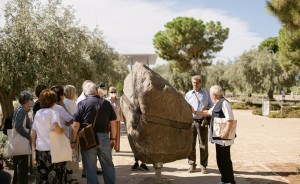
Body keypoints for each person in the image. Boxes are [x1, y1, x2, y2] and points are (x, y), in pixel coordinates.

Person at [71, 82, 117, 184]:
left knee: (90, 168)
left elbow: (75, 125)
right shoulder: (106, 103)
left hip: (87, 139)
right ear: (97, 91)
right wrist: (113, 138)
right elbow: (113, 123)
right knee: (108, 165)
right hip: (104, 137)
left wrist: (73, 140)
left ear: (85, 93)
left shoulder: (81, 104)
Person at [192, 85, 236, 184]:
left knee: (225, 160)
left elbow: (230, 119)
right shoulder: (217, 103)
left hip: (224, 137)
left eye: (211, 94)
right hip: (218, 137)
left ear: (214, 95)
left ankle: (230, 181)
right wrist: (194, 112)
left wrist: (226, 132)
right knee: (220, 160)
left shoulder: (224, 103)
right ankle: (224, 180)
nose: (210, 96)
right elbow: (208, 113)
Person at [31, 89, 67, 183]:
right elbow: (56, 128)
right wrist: (62, 131)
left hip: (40, 149)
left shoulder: (38, 113)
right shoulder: (53, 113)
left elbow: (33, 133)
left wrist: (36, 146)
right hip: (53, 150)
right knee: (55, 177)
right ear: (53, 100)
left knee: (42, 178)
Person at [185, 75, 213, 174]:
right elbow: (185, 108)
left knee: (203, 145)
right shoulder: (188, 94)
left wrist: (206, 108)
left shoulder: (206, 93)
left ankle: (203, 166)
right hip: (191, 122)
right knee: (191, 145)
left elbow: (212, 105)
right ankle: (192, 165)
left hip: (202, 122)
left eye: (197, 83)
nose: (195, 85)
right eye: (193, 83)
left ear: (201, 83)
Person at [76, 81, 103, 177]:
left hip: (91, 129)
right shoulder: (81, 100)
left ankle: (92, 168)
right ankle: (85, 170)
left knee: (91, 150)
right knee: (86, 149)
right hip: (86, 130)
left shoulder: (85, 98)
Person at [51, 86, 76, 183]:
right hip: (62, 138)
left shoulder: (46, 108)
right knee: (64, 163)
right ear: (61, 96)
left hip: (51, 139)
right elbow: (71, 119)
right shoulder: (60, 108)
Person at [12, 91, 34, 184]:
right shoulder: (22, 110)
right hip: (21, 143)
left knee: (18, 168)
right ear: (27, 101)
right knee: (22, 169)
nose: (32, 101)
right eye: (31, 99)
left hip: (17, 143)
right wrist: (28, 136)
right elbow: (18, 126)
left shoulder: (18, 109)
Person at [108, 87, 122, 152]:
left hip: (117, 119)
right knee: (110, 134)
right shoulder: (107, 100)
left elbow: (121, 110)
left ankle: (117, 148)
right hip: (109, 120)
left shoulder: (119, 100)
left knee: (117, 134)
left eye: (114, 92)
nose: (113, 93)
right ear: (109, 92)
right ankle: (109, 148)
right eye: (111, 92)